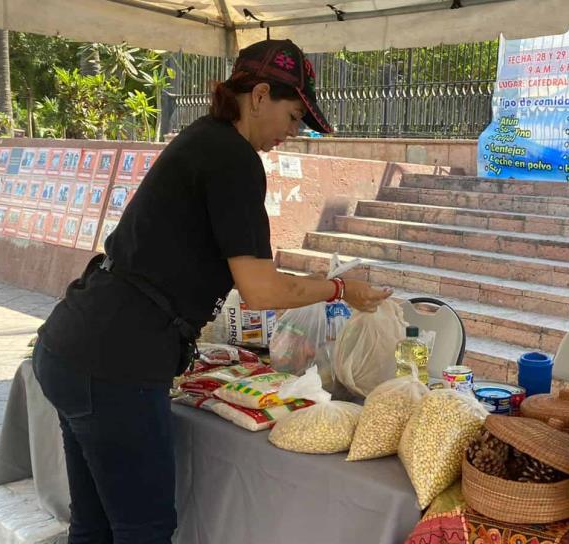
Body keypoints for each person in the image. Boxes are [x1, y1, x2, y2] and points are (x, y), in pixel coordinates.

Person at [32, 39, 392, 543]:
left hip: (73, 343)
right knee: (145, 530)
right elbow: (262, 290)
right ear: (260, 95)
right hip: (116, 362)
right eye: (293, 117)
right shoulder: (233, 159)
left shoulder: (203, 139)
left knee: (95, 525)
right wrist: (339, 288)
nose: (294, 132)